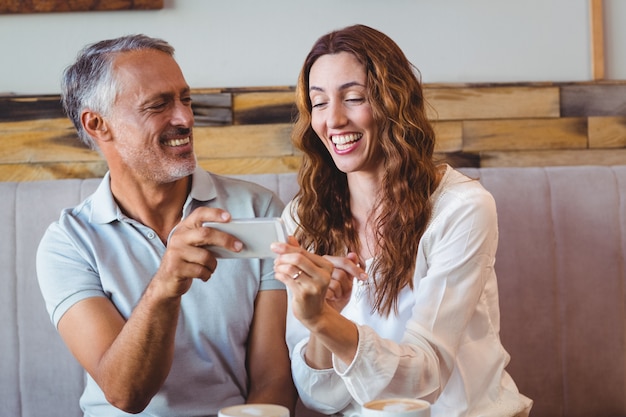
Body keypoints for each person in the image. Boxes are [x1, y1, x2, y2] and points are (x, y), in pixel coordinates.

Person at [270, 24, 533, 417]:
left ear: (394, 102)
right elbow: (320, 398)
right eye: (319, 103)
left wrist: (321, 318)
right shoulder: (304, 218)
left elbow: (422, 379)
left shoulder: (460, 209)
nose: (334, 120)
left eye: (354, 98)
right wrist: (324, 321)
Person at [36, 34, 296, 416]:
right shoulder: (69, 244)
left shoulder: (259, 209)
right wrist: (165, 286)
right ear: (98, 124)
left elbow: (273, 379)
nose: (185, 118)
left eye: (185, 99)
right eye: (158, 105)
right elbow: (126, 394)